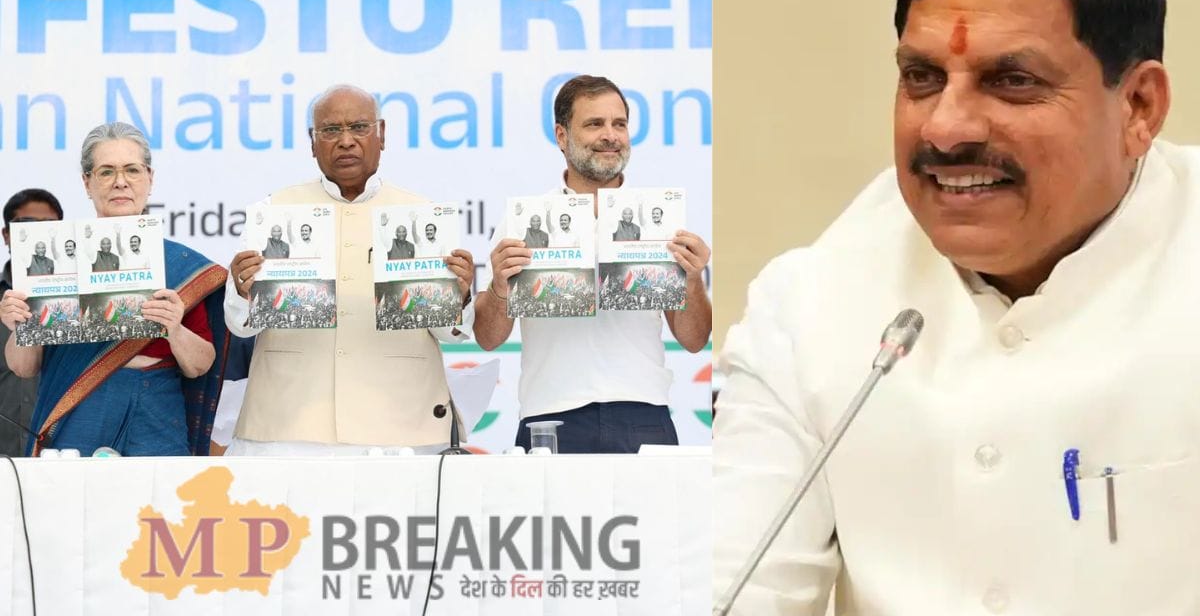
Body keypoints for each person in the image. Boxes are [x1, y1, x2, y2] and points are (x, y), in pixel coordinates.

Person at [712, 0, 1200, 613]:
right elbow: (733, 583)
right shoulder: (809, 304)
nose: (946, 129)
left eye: (1012, 81)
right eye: (922, 78)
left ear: (1139, 106)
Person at [224, 83, 477, 455]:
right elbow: (239, 325)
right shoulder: (272, 212)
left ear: (381, 134)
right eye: (330, 130)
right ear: (313, 143)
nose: (345, 141)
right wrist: (243, 291)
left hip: (402, 425)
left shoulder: (422, 216)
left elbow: (452, 334)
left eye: (359, 127)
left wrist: (460, 297)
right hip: (289, 427)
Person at [475, 74, 712, 454]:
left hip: (643, 410)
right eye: (594, 124)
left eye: (620, 124)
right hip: (550, 415)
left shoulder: (661, 221)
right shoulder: (521, 221)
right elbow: (488, 339)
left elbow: (694, 340)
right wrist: (501, 288)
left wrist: (693, 279)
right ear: (562, 135)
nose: (610, 135)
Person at [0, 124, 229, 456]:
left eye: (132, 170)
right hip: (77, 409)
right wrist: (20, 325)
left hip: (156, 413)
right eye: (106, 172)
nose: (120, 181)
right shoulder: (57, 257)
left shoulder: (179, 266)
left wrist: (174, 329)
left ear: (149, 178)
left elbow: (199, 365)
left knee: (159, 494)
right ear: (87, 182)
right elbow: (24, 367)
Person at [0, 189, 62, 457]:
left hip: (62, 453)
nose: (38, 234)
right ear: (6, 235)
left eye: (48, 226)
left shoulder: (79, 300)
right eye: (26, 225)